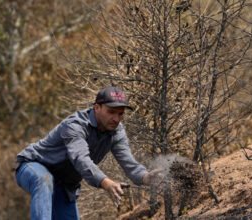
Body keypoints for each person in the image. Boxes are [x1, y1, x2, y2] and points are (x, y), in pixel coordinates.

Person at [13, 86, 159, 220]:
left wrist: (146, 177)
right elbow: (81, 159)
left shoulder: (117, 132)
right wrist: (107, 184)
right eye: (111, 112)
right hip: (32, 166)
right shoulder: (75, 125)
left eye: (120, 114)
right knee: (44, 179)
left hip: (64, 185)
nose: (116, 119)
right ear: (97, 107)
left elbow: (129, 163)